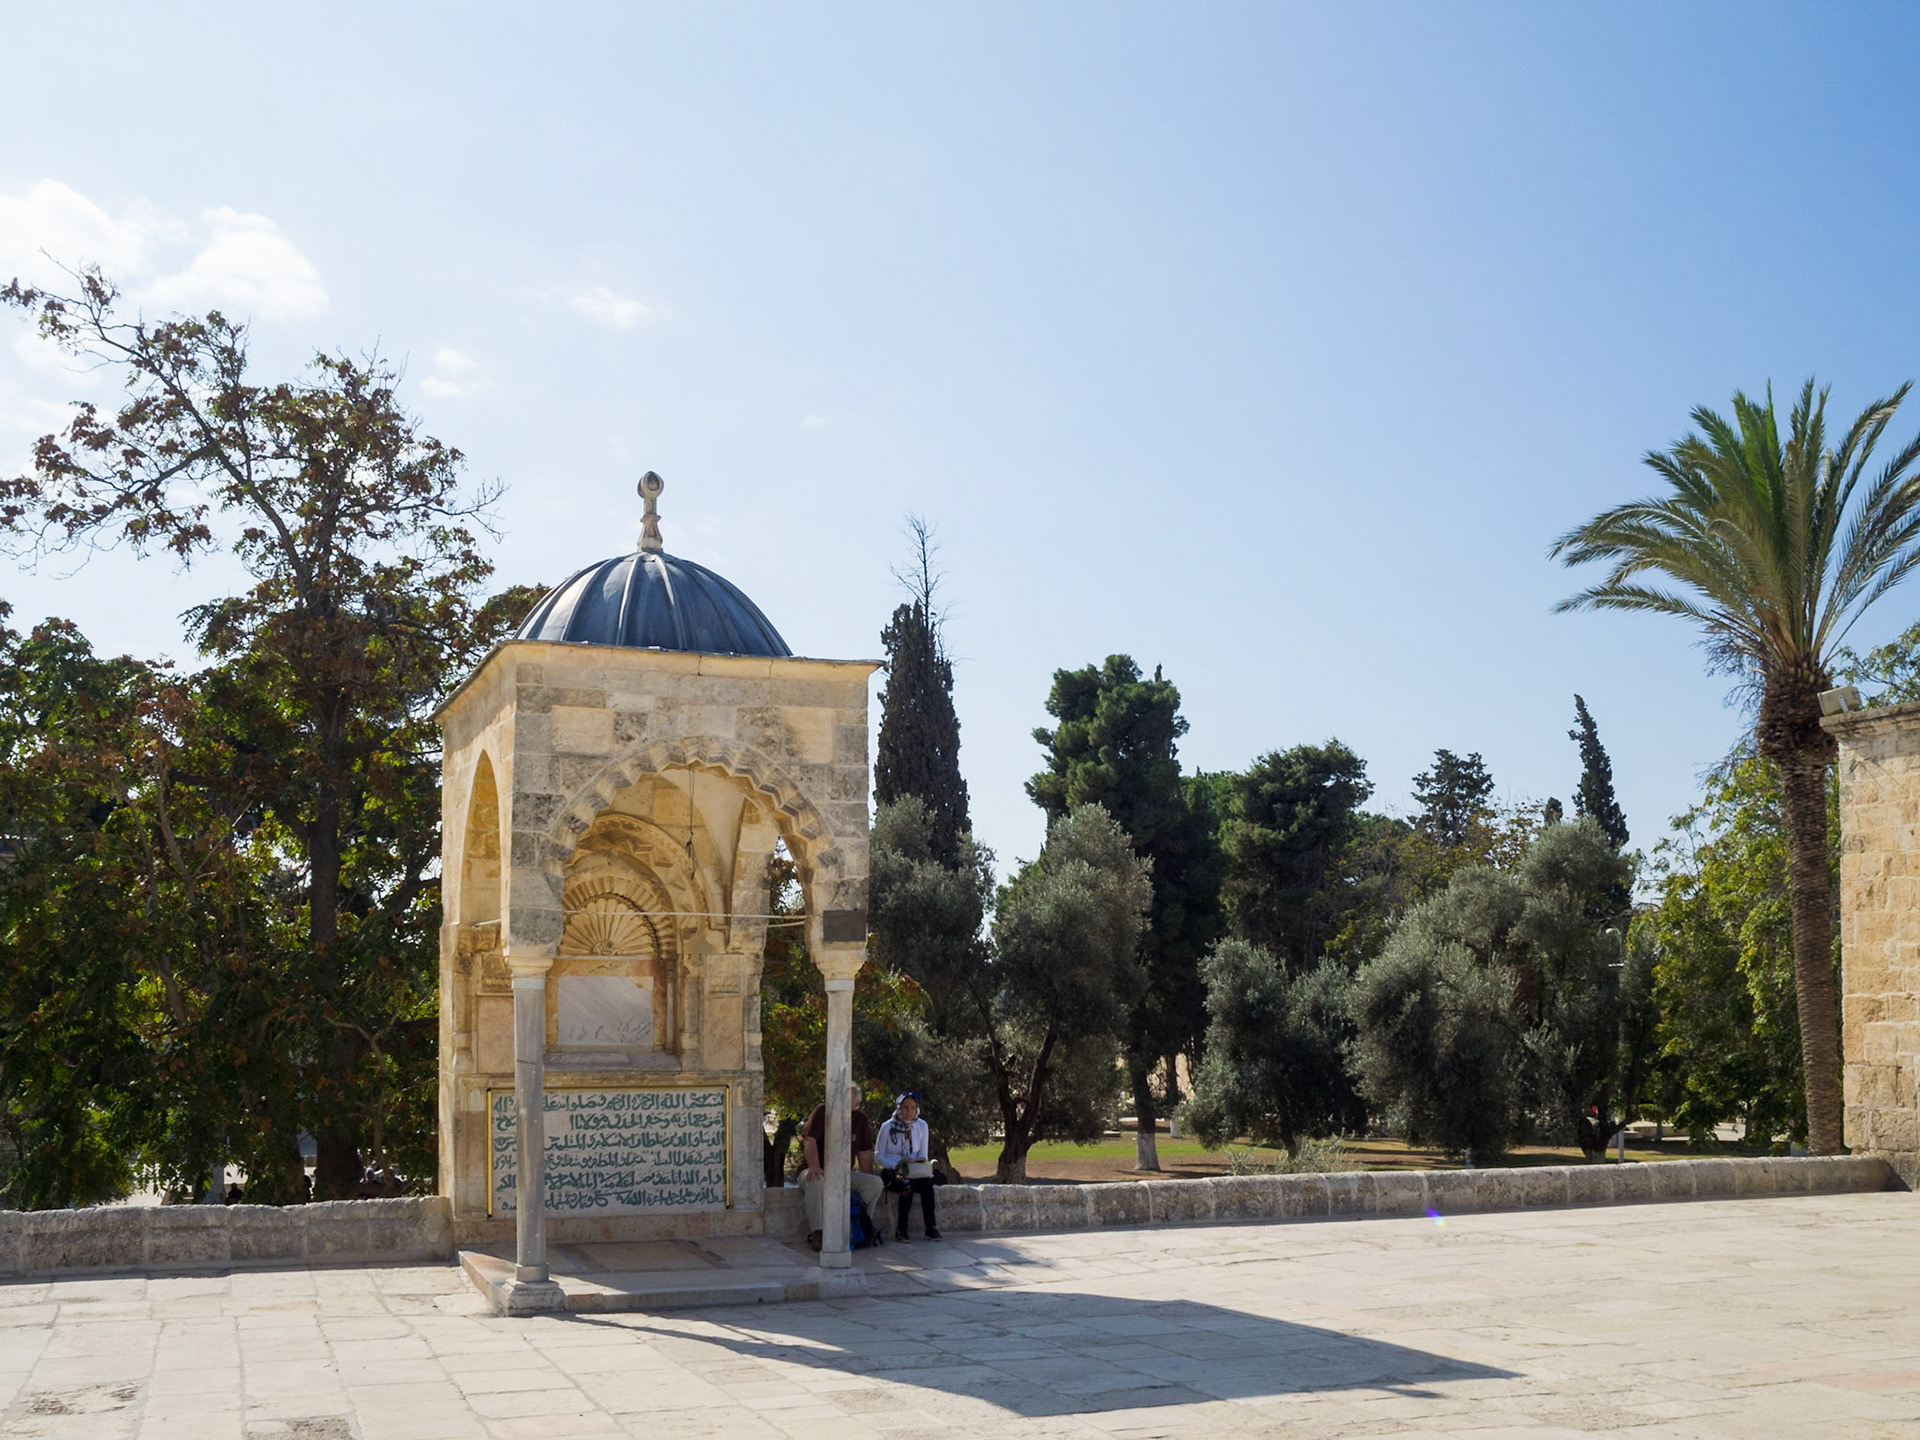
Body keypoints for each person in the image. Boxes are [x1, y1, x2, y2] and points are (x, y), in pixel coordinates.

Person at [800, 1083, 885, 1253]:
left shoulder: (861, 1120)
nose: (843, 1105)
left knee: (875, 1183)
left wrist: (867, 1175)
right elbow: (809, 1139)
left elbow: (864, 1152)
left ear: (856, 1105)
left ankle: (859, 1223)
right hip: (817, 1170)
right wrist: (815, 1166)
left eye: (849, 1103)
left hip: (844, 1174)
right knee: (815, 1179)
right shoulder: (822, 1111)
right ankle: (819, 1232)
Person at [874, 1091, 941, 1241]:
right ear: (899, 1108)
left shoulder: (922, 1126)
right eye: (905, 1108)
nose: (909, 1112)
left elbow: (922, 1152)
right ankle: (901, 1229)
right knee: (907, 1185)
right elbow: (878, 1155)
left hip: (913, 1170)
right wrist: (896, 1165)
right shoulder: (887, 1127)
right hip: (893, 1172)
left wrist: (920, 1162)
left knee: (927, 1185)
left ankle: (931, 1227)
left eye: (912, 1108)